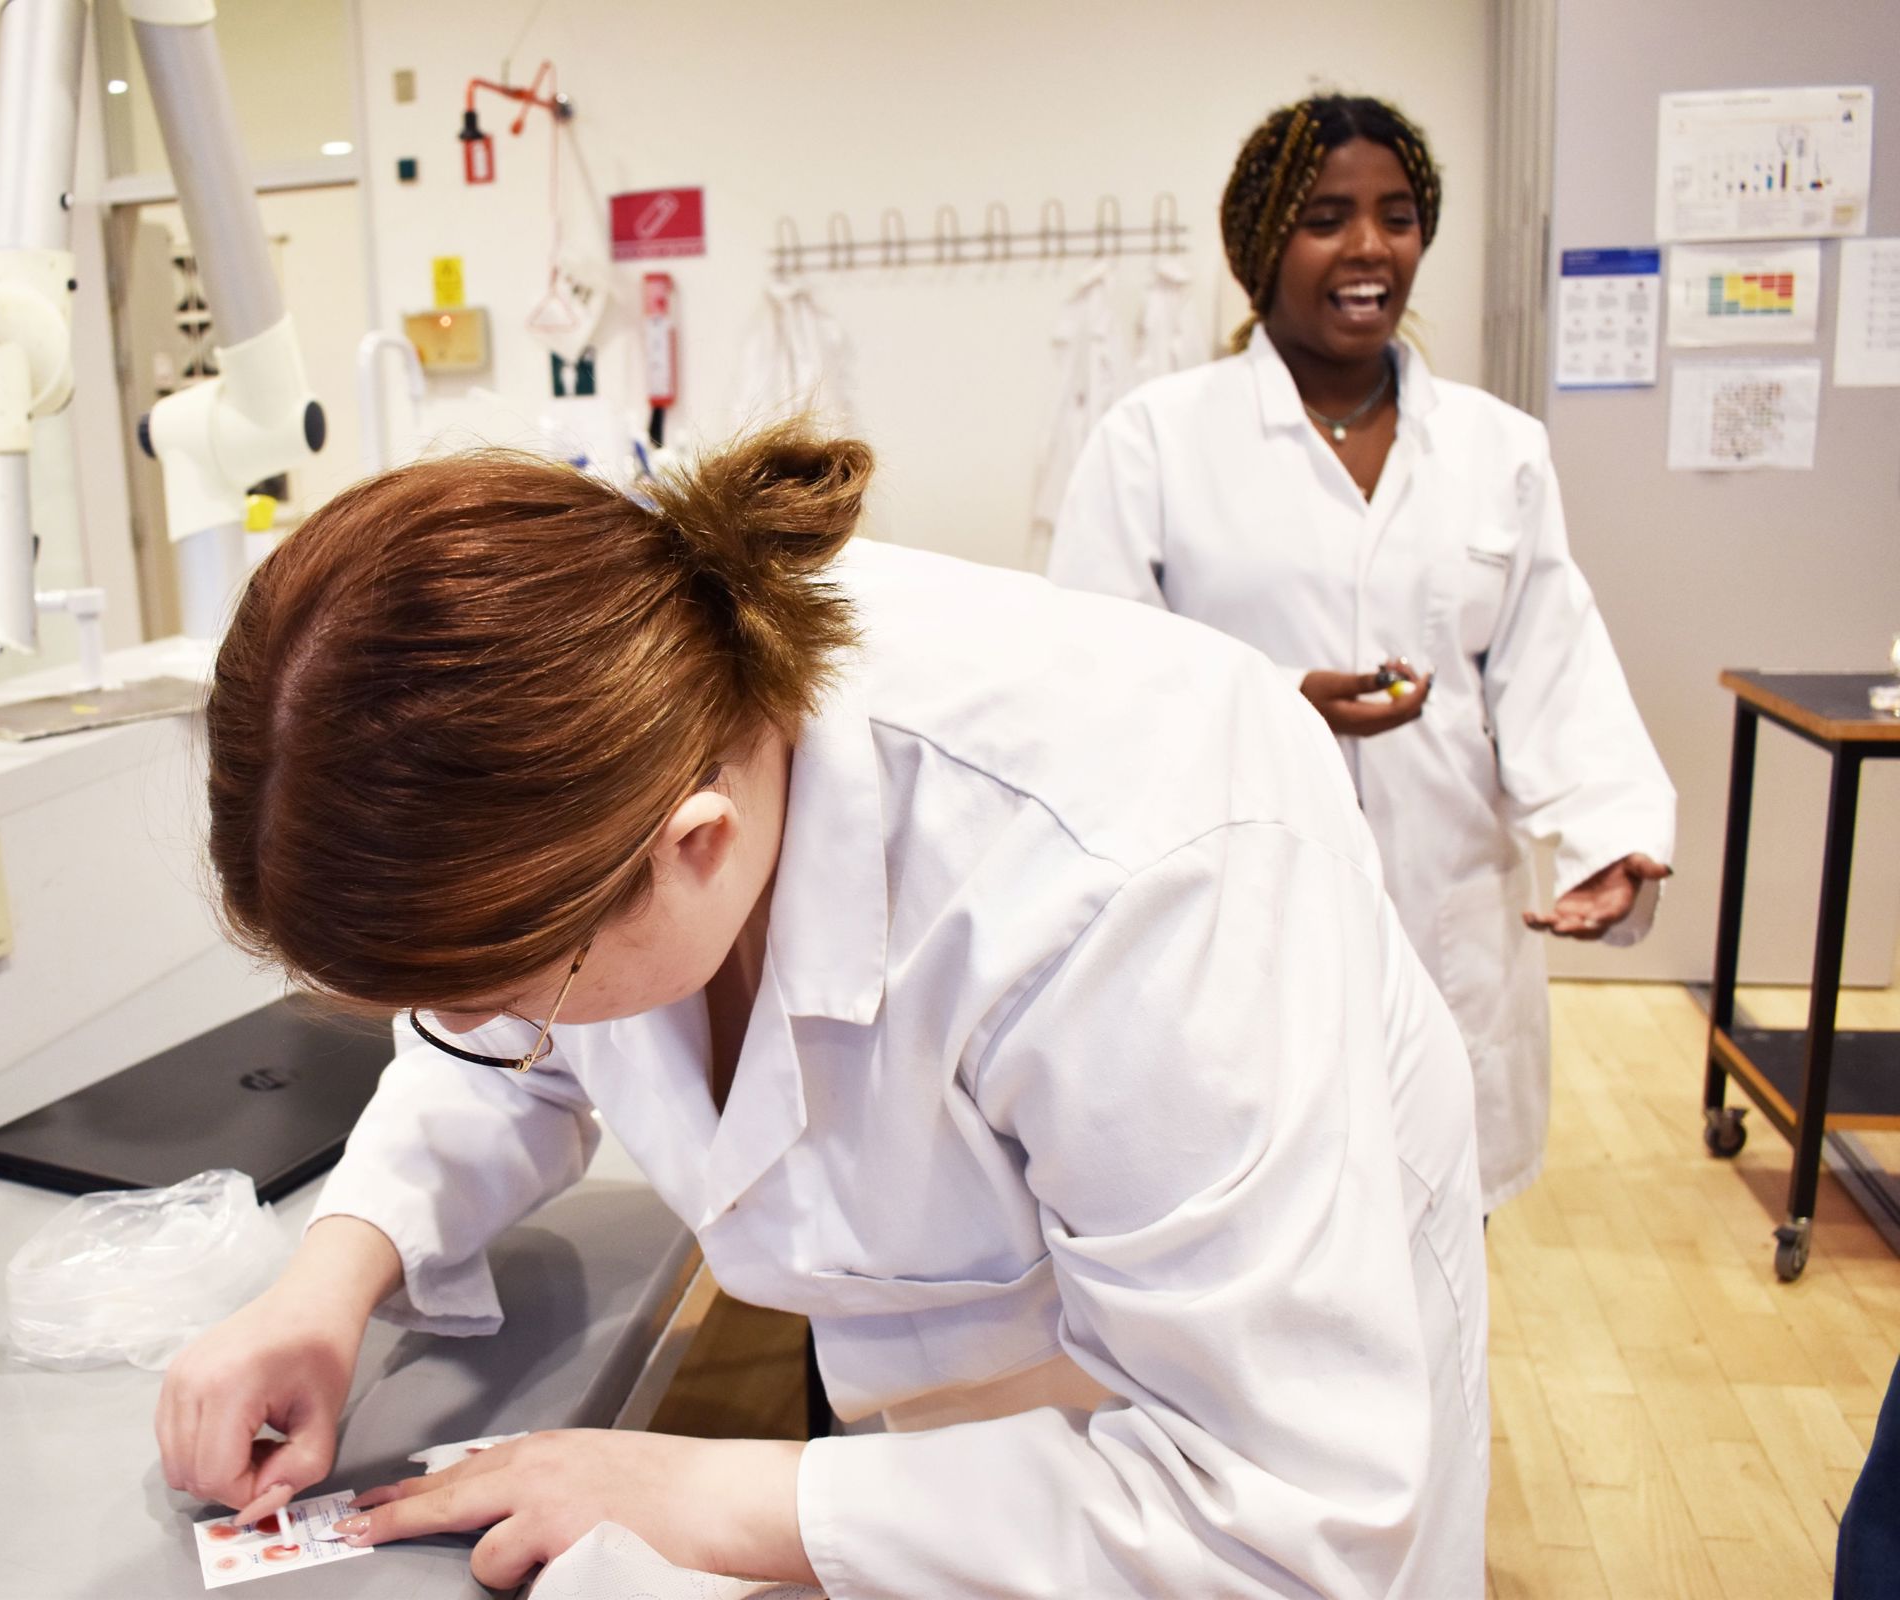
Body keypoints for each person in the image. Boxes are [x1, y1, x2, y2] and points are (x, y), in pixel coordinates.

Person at [157, 424, 1489, 1596]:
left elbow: (1279, 1524)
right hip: (968, 1463)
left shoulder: (1130, 871)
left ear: (696, 846)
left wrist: (702, 1495)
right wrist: (327, 1286)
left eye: (511, 988)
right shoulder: (618, 748)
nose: (498, 1027)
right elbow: (501, 1053)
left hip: (1244, 1438)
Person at [1047, 94, 1677, 1213]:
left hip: (1449, 916)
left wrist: (1607, 834)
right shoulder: (1156, 440)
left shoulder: (1498, 450)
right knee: (1267, 1231)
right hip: (1239, 911)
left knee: (1440, 1242)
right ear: (1260, 246)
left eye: (1397, 215)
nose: (1370, 248)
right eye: (1326, 217)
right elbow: (1091, 680)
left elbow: (1550, 660)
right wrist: (1281, 698)